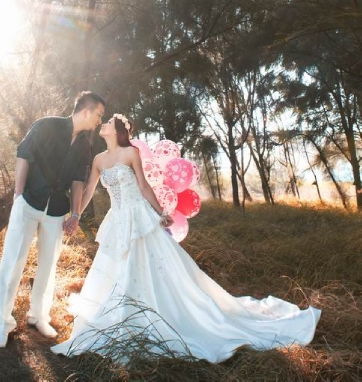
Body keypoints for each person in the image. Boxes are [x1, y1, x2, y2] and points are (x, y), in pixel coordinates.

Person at [51, 114, 321, 364]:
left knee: (150, 267)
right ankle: (120, 312)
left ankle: (155, 312)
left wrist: (161, 212)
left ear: (118, 130)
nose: (104, 124)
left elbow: (144, 186)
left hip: (139, 218)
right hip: (118, 219)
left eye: (108, 122)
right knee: (115, 268)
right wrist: (75, 214)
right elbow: (88, 190)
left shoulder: (131, 153)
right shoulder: (98, 159)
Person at [0, 91, 106, 349]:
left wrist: (75, 214)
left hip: (56, 210)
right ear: (86, 111)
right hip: (29, 202)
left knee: (48, 266)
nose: (99, 121)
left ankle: (38, 316)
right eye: (99, 115)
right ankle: (1, 324)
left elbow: (78, 181)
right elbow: (24, 154)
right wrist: (18, 195)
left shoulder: (86, 145)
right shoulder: (46, 125)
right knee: (13, 263)